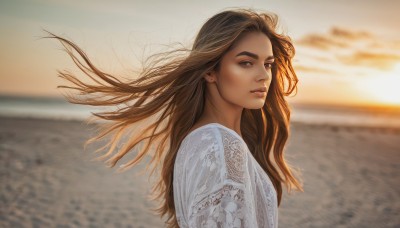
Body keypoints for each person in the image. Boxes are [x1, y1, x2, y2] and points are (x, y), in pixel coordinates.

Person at [42, 7, 303, 228]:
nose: (264, 75)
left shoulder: (199, 140)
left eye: (268, 64)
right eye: (246, 62)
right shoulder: (221, 145)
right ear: (210, 71)